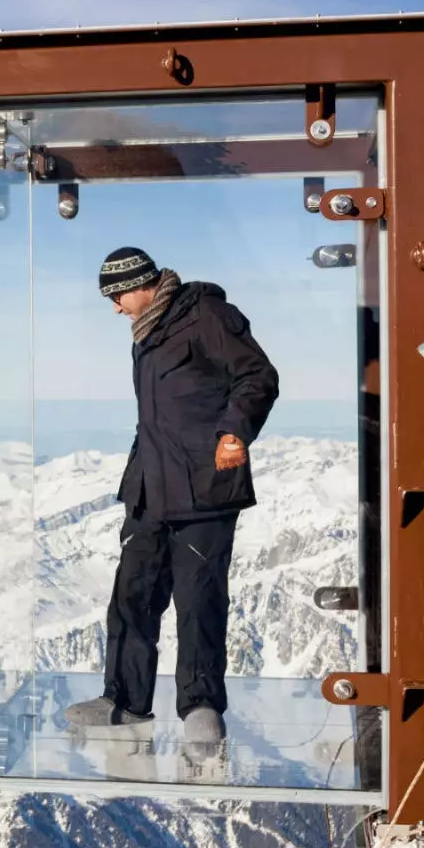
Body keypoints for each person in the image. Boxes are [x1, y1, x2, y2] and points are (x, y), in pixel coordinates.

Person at [62, 247, 280, 753]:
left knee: (198, 600)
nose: (115, 309)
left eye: (116, 296)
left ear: (140, 284)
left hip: (204, 489)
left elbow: (258, 377)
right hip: (148, 490)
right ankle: (125, 701)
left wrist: (234, 432)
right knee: (131, 596)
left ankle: (201, 707)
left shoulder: (206, 315)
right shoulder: (146, 334)